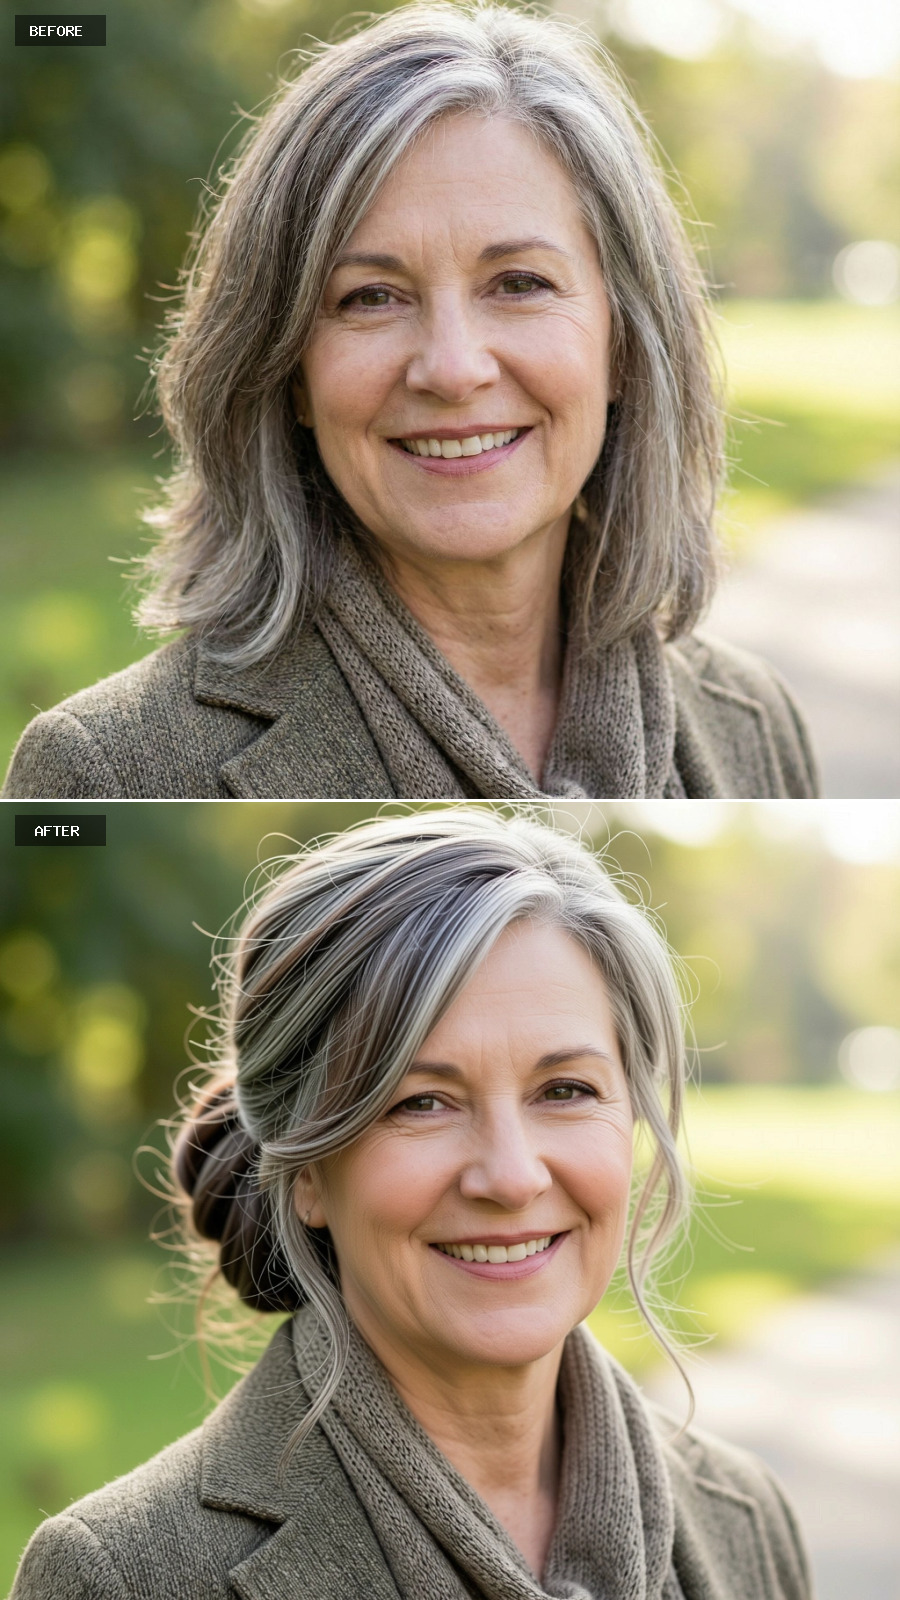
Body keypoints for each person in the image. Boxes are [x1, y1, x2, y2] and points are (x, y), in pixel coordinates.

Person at [3, 4, 817, 802]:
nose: (453, 368)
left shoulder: (754, 721)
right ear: (288, 372)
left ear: (627, 346)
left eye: (520, 283)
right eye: (371, 298)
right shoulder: (106, 771)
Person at [11, 811, 813, 1599]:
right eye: (421, 1102)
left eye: (565, 1090)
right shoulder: (120, 1576)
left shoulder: (744, 1518)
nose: (510, 1176)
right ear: (308, 1171)